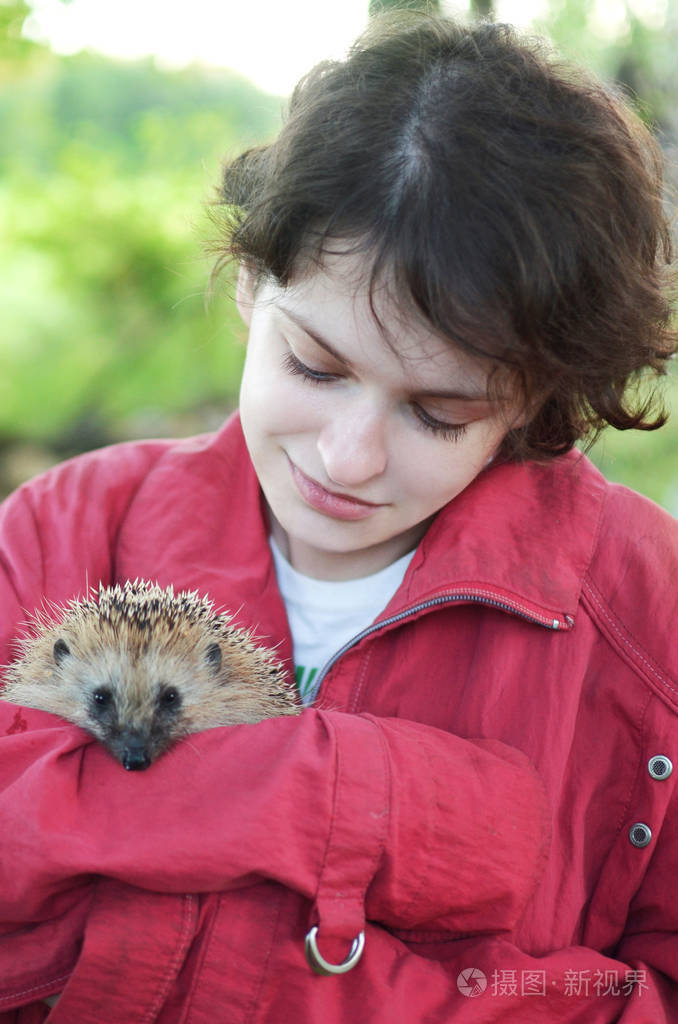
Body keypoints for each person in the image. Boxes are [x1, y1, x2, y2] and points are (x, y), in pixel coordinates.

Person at [1, 11, 677, 1022]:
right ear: (246, 283)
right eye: (315, 367)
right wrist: (352, 793)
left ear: (538, 397)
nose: (346, 457)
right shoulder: (60, 529)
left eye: (439, 412)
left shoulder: (648, 609)